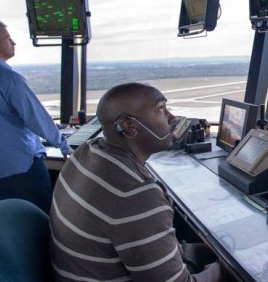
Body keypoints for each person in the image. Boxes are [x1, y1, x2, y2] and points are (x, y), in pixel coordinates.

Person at [50, 82, 222, 282]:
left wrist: (202, 251)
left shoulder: (86, 152)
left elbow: (134, 236)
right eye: (161, 110)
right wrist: (219, 270)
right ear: (129, 126)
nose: (172, 118)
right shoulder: (135, 193)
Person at [0, 19, 71, 213]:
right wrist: (64, 145)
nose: (13, 42)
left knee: (14, 219)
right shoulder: (7, 77)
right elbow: (35, 117)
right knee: (38, 220)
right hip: (22, 166)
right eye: (8, 38)